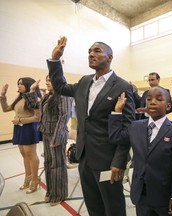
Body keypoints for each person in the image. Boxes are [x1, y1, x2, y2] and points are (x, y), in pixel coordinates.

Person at [47, 36, 135, 216]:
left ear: (109, 58)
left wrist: (119, 161)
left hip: (107, 160)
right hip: (84, 156)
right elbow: (61, 87)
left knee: (113, 206)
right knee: (92, 203)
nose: (91, 54)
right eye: (89, 52)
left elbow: (127, 128)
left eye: (96, 51)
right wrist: (55, 60)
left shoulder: (122, 86)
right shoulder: (84, 81)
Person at [109, 86, 172, 216]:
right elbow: (116, 137)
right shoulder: (135, 126)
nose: (152, 102)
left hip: (164, 196)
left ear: (168, 106)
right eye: (149, 99)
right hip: (141, 195)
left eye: (159, 99)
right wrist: (117, 112)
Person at [23, 76, 72, 206]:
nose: (47, 83)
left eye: (50, 80)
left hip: (57, 135)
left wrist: (56, 138)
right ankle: (51, 192)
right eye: (46, 80)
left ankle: (59, 194)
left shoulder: (63, 96)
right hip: (46, 133)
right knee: (49, 163)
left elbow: (64, 117)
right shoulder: (48, 96)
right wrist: (32, 91)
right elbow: (33, 105)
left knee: (58, 166)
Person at [0, 77, 41, 194]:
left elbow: (37, 118)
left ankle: (35, 180)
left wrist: (21, 120)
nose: (19, 86)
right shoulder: (19, 98)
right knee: (24, 155)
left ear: (28, 85)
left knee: (31, 155)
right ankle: (27, 178)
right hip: (19, 128)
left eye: (21, 84)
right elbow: (5, 108)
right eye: (18, 84)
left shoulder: (33, 98)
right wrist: (2, 96)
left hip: (29, 128)